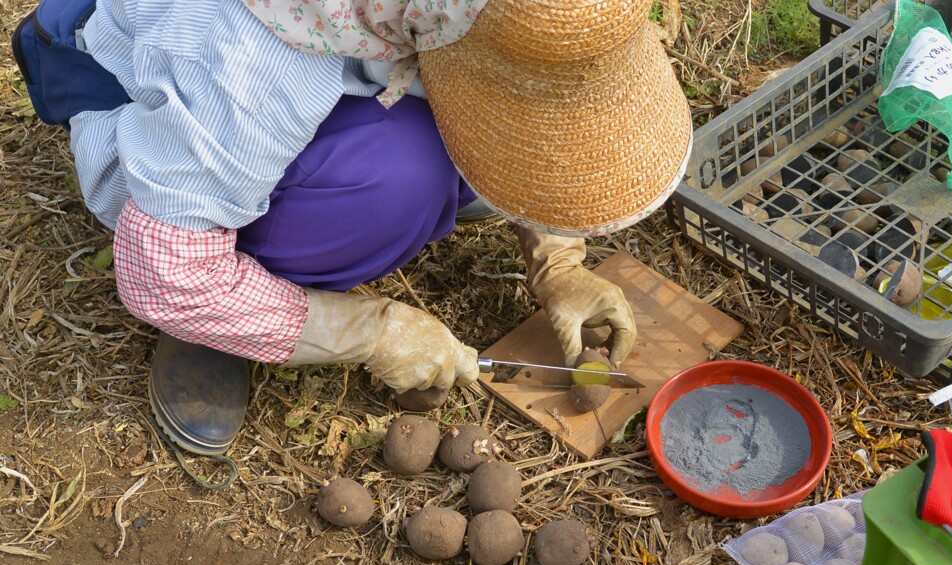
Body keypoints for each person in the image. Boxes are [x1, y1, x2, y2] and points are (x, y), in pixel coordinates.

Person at [68, 0, 693, 456]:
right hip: (178, 114)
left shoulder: (464, 16)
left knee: (466, 155)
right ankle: (235, 310)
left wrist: (557, 257)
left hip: (343, 59)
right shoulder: (250, 72)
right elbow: (166, 272)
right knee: (398, 185)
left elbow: (527, 88)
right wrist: (369, 333)